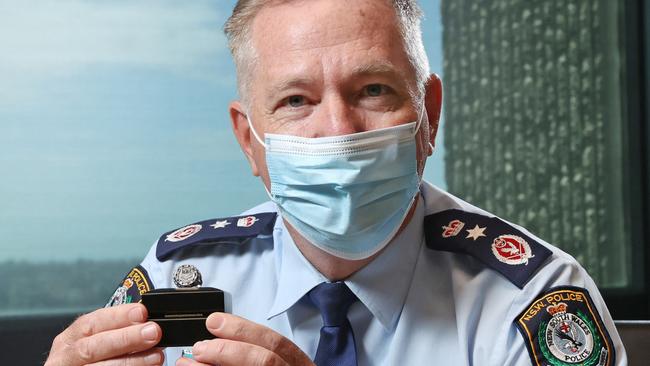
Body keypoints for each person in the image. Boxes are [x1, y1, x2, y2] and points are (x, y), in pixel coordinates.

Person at [45, 0, 628, 365]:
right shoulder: (178, 275)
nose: (339, 132)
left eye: (373, 90)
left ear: (429, 114)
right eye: (296, 100)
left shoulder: (529, 301)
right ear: (249, 140)